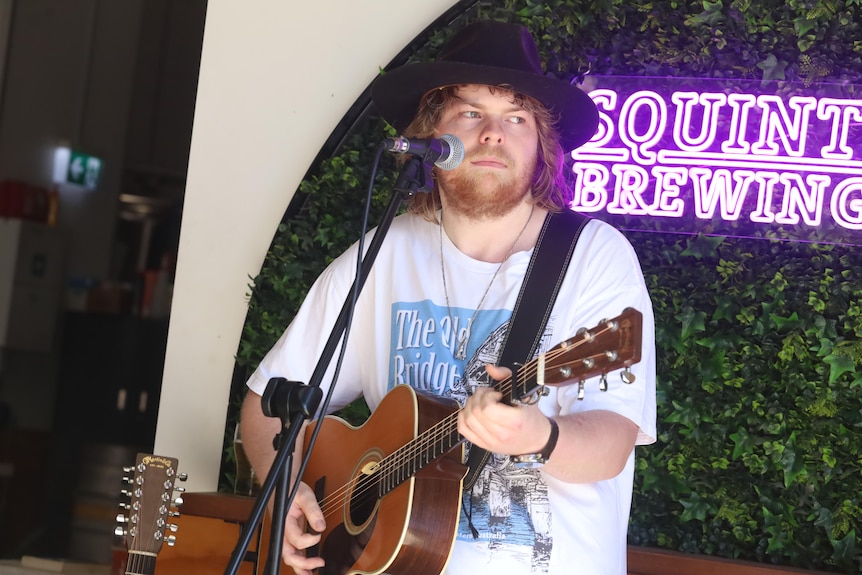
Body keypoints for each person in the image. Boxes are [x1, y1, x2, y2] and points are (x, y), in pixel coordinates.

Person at [241, 20, 656, 575]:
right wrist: (285, 490)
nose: (493, 133)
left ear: (542, 146)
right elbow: (268, 402)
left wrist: (541, 434)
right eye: (470, 112)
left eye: (516, 117)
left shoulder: (594, 258)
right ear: (429, 135)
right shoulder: (382, 253)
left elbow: (611, 442)